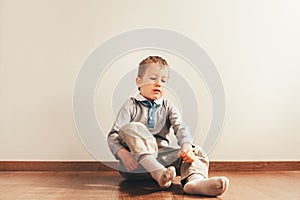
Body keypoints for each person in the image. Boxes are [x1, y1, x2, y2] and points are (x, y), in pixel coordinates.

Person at [107, 56, 229, 196]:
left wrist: (186, 146)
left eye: (163, 80)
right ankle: (156, 171)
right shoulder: (131, 105)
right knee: (133, 127)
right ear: (139, 81)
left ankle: (194, 182)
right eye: (153, 78)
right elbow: (113, 135)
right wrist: (123, 154)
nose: (158, 83)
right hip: (135, 164)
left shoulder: (167, 106)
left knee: (196, 151)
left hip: (163, 162)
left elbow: (180, 127)